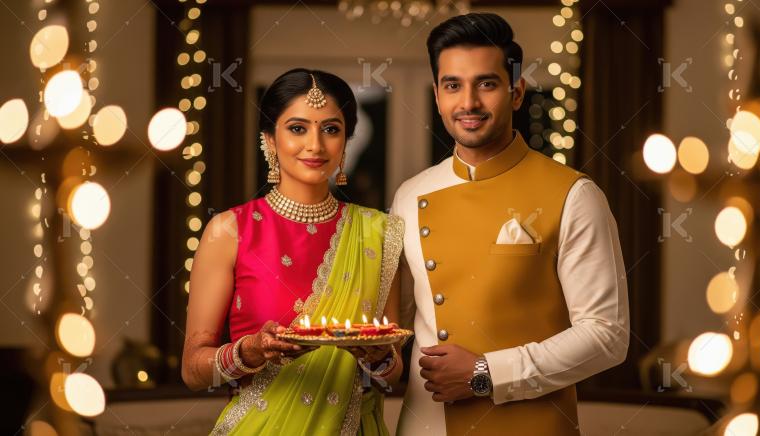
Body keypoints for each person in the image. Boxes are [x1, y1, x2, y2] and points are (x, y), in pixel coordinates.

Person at [391, 13, 630, 435]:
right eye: (452, 85)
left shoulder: (574, 194)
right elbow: (393, 328)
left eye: (487, 83)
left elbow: (607, 335)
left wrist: (487, 372)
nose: (468, 103)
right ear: (437, 94)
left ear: (516, 92)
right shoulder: (410, 195)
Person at [181, 68, 405, 435]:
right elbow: (192, 371)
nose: (315, 145)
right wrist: (248, 351)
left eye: (331, 129)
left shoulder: (379, 234)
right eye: (297, 128)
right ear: (269, 139)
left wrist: (379, 357)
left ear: (346, 141)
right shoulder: (229, 231)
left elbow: (392, 374)